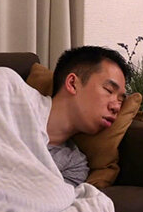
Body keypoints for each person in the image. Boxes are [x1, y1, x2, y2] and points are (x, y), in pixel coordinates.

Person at [46, 46, 130, 186]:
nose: (116, 107)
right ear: (72, 84)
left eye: (120, 100)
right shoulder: (13, 94)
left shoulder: (74, 166)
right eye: (109, 90)